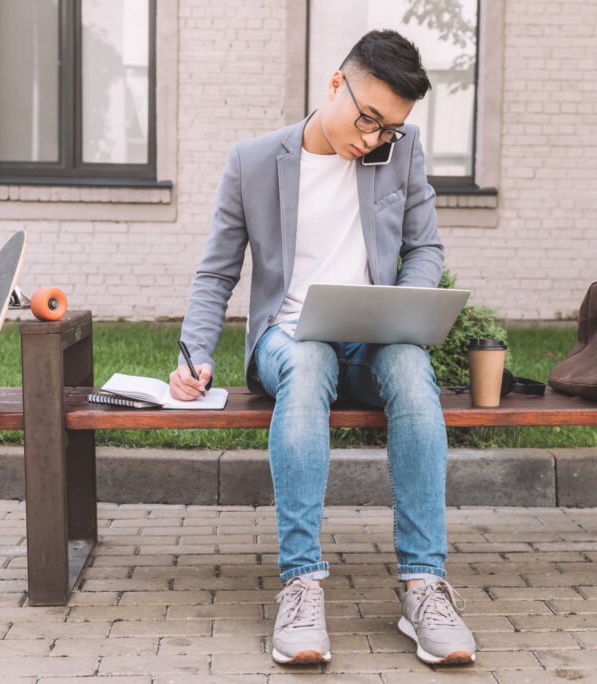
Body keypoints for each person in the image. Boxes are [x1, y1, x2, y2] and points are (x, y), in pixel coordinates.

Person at [169, 29, 476, 667]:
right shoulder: (252, 161)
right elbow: (216, 273)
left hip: (373, 337)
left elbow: (424, 249)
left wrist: (406, 308)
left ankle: (424, 587)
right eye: (368, 120)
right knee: (308, 359)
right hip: (287, 339)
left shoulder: (403, 151)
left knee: (413, 368)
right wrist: (195, 351)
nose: (373, 140)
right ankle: (301, 584)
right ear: (336, 84)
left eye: (388, 129)